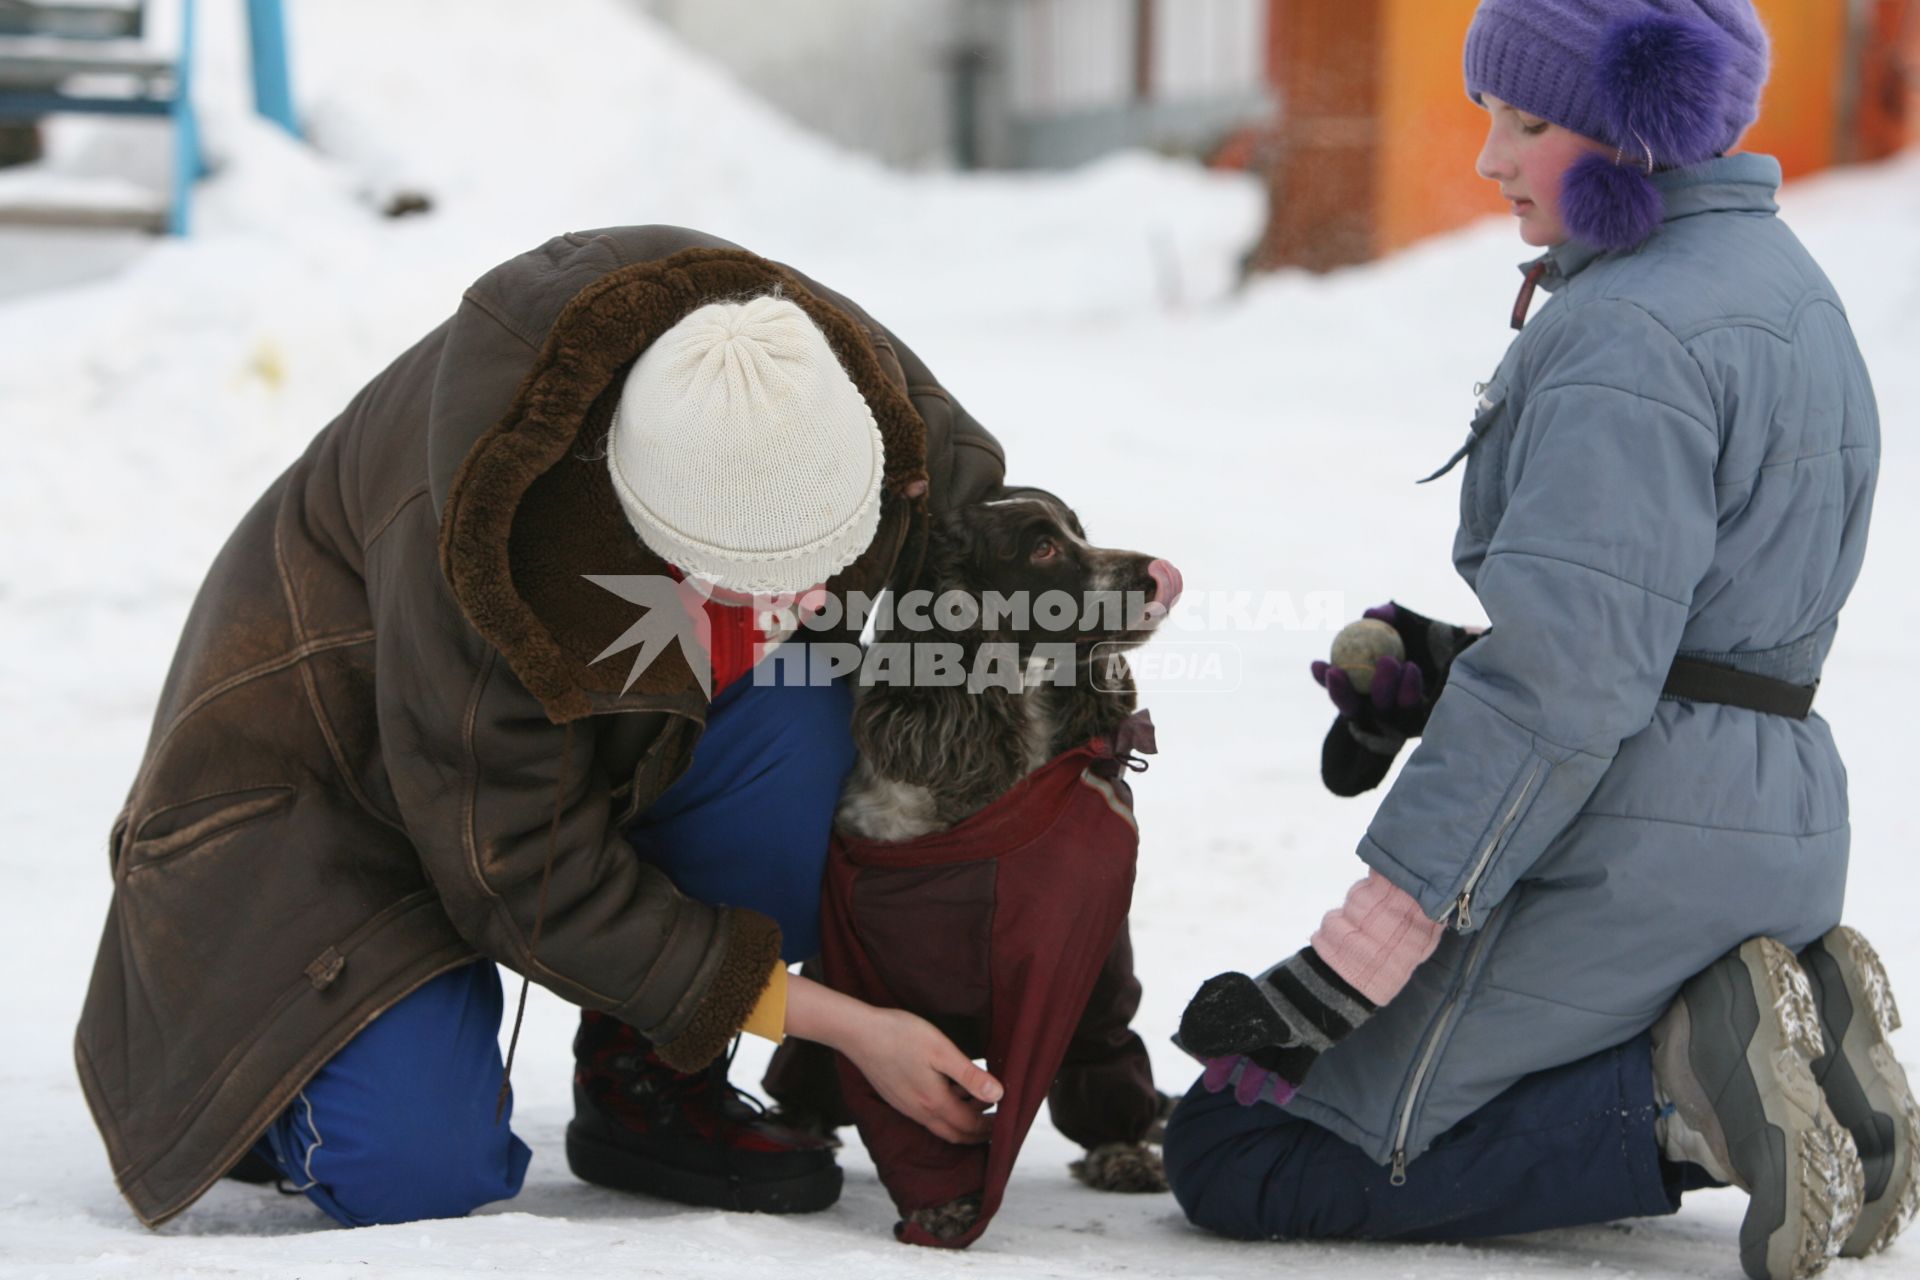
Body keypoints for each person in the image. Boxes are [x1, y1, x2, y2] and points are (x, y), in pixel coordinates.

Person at [1163, 4, 1914, 1280]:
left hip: (1627, 841)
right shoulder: (1792, 287)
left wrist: (1355, 957)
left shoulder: (1628, 334)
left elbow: (1569, 687)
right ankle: (1791, 1039)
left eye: (1527, 120)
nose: (1489, 158)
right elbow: (1686, 618)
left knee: (1243, 1142)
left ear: (1637, 129)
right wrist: (1448, 665)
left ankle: (1681, 1089)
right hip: (1770, 823)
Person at [74, 226, 1020, 1229]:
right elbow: (527, 877)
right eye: (761, 581)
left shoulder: (804, 383)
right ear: (648, 524)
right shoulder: (490, 556)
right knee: (417, 1168)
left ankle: (647, 1067)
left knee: (820, 739)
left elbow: (994, 552)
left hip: (557, 754)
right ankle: (270, 1083)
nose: (803, 603)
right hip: (339, 810)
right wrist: (850, 1026)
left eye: (826, 560)